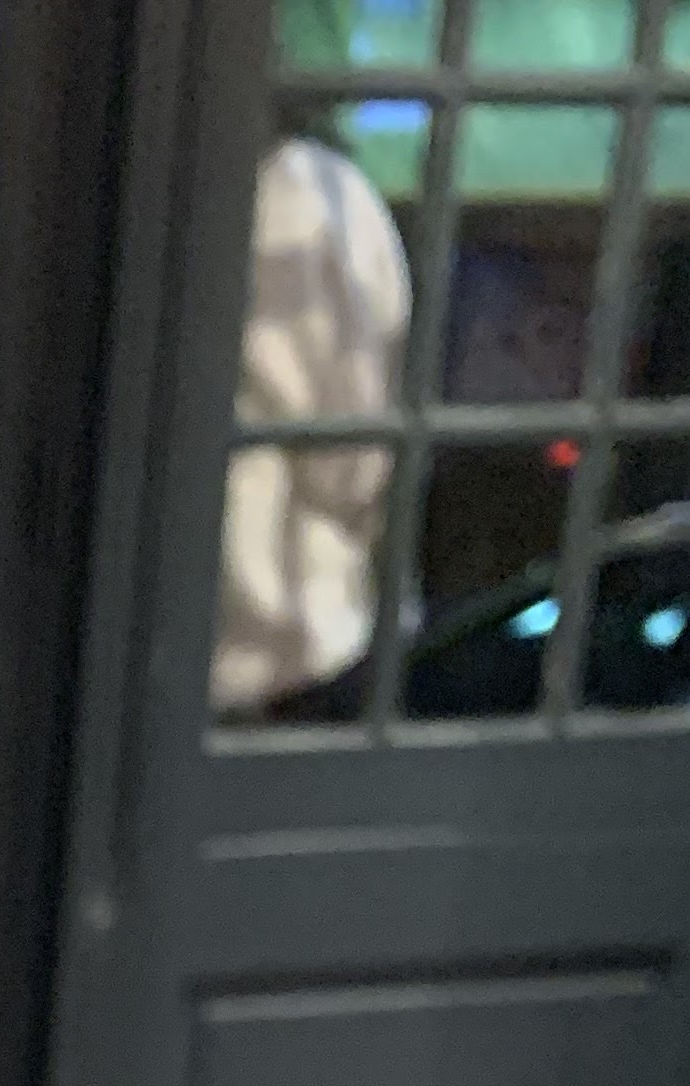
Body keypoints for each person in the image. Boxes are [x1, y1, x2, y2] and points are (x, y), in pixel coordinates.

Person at [211, 125, 414, 724]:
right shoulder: (303, 193)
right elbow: (350, 463)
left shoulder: (283, 191)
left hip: (204, 652)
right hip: (284, 648)